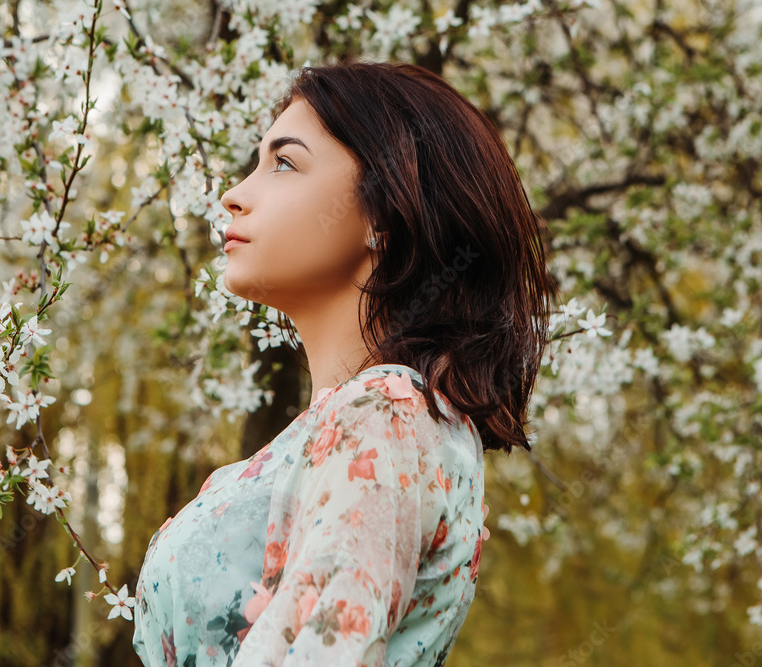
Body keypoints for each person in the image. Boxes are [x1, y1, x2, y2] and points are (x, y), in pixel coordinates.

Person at [133, 59, 553, 666]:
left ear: (383, 212)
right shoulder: (368, 422)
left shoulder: (385, 417)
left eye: (284, 162)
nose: (234, 194)